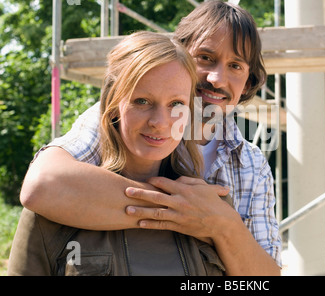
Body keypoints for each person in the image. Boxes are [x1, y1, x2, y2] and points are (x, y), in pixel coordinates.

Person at [19, 0, 282, 275]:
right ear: (179, 56)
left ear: (248, 81)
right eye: (205, 58)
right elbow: (43, 185)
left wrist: (222, 224)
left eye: (236, 66)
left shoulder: (252, 165)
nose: (217, 78)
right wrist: (185, 213)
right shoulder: (121, 118)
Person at [8, 31, 229, 276]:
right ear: (114, 107)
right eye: (142, 101)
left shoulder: (211, 209)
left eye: (176, 104)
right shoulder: (54, 207)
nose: (160, 121)